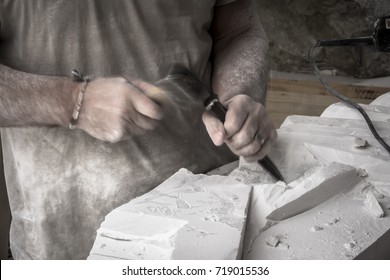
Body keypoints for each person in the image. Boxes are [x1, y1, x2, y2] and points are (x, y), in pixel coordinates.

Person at [0, 0, 276, 259]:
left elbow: (238, 31)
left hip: (213, 220)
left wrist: (239, 93)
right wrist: (71, 102)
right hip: (67, 239)